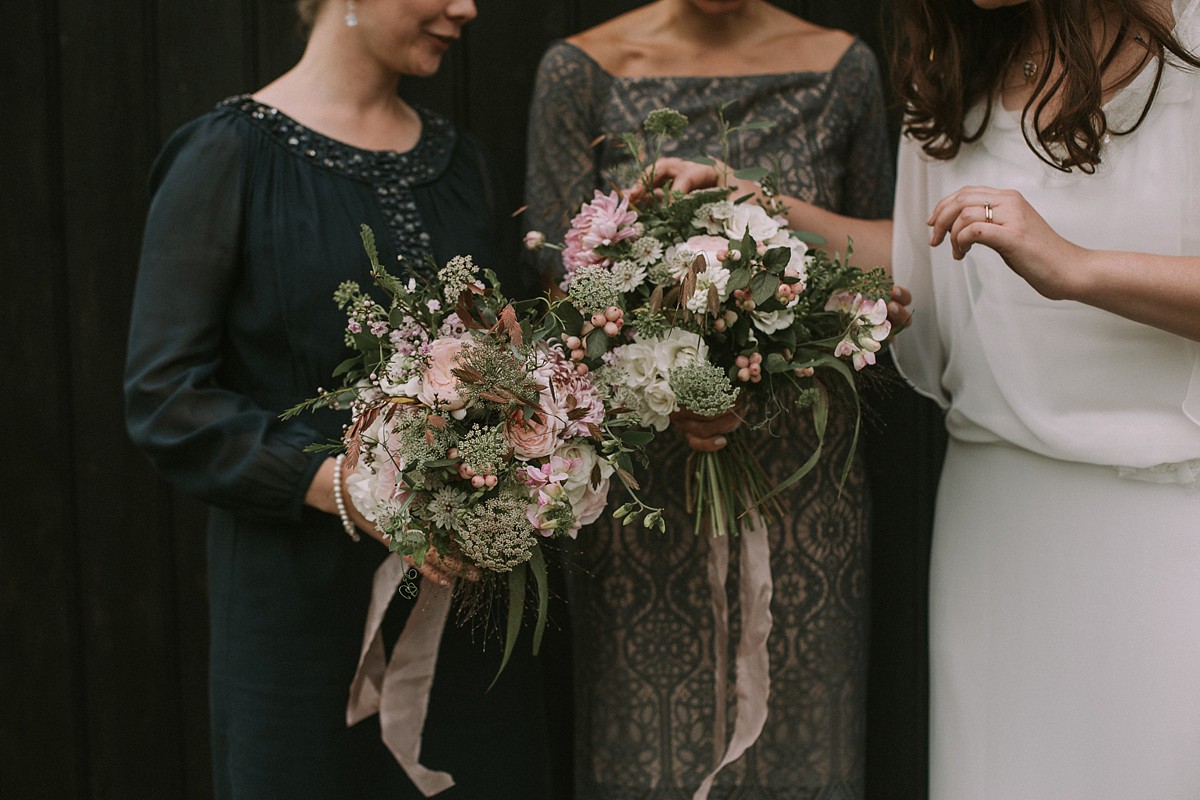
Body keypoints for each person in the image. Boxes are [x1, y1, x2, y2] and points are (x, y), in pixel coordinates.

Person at [123, 1, 551, 797]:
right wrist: (351, 488)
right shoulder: (228, 153)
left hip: (467, 604)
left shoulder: (465, 163)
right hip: (296, 613)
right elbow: (165, 399)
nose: (467, 6)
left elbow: (519, 357)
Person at [523, 1, 894, 796]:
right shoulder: (578, 73)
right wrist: (666, 377)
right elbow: (563, 293)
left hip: (804, 482)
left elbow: (880, 260)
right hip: (644, 484)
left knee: (805, 740)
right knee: (646, 749)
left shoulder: (844, 69)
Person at [888, 0, 1200, 796]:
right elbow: (919, 251)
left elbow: (1044, 254)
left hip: (1166, 516)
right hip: (996, 518)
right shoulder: (959, 64)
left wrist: (1075, 268)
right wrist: (765, 219)